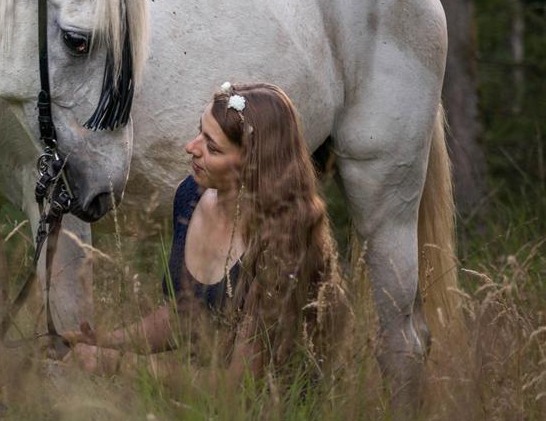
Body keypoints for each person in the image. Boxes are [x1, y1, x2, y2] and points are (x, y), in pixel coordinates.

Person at [63, 82, 347, 386]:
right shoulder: (190, 196)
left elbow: (239, 388)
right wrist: (106, 341)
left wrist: (118, 364)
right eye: (200, 132)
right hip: (197, 393)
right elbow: (185, 315)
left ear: (252, 165)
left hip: (265, 415)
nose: (191, 147)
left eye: (212, 147)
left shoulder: (281, 239)